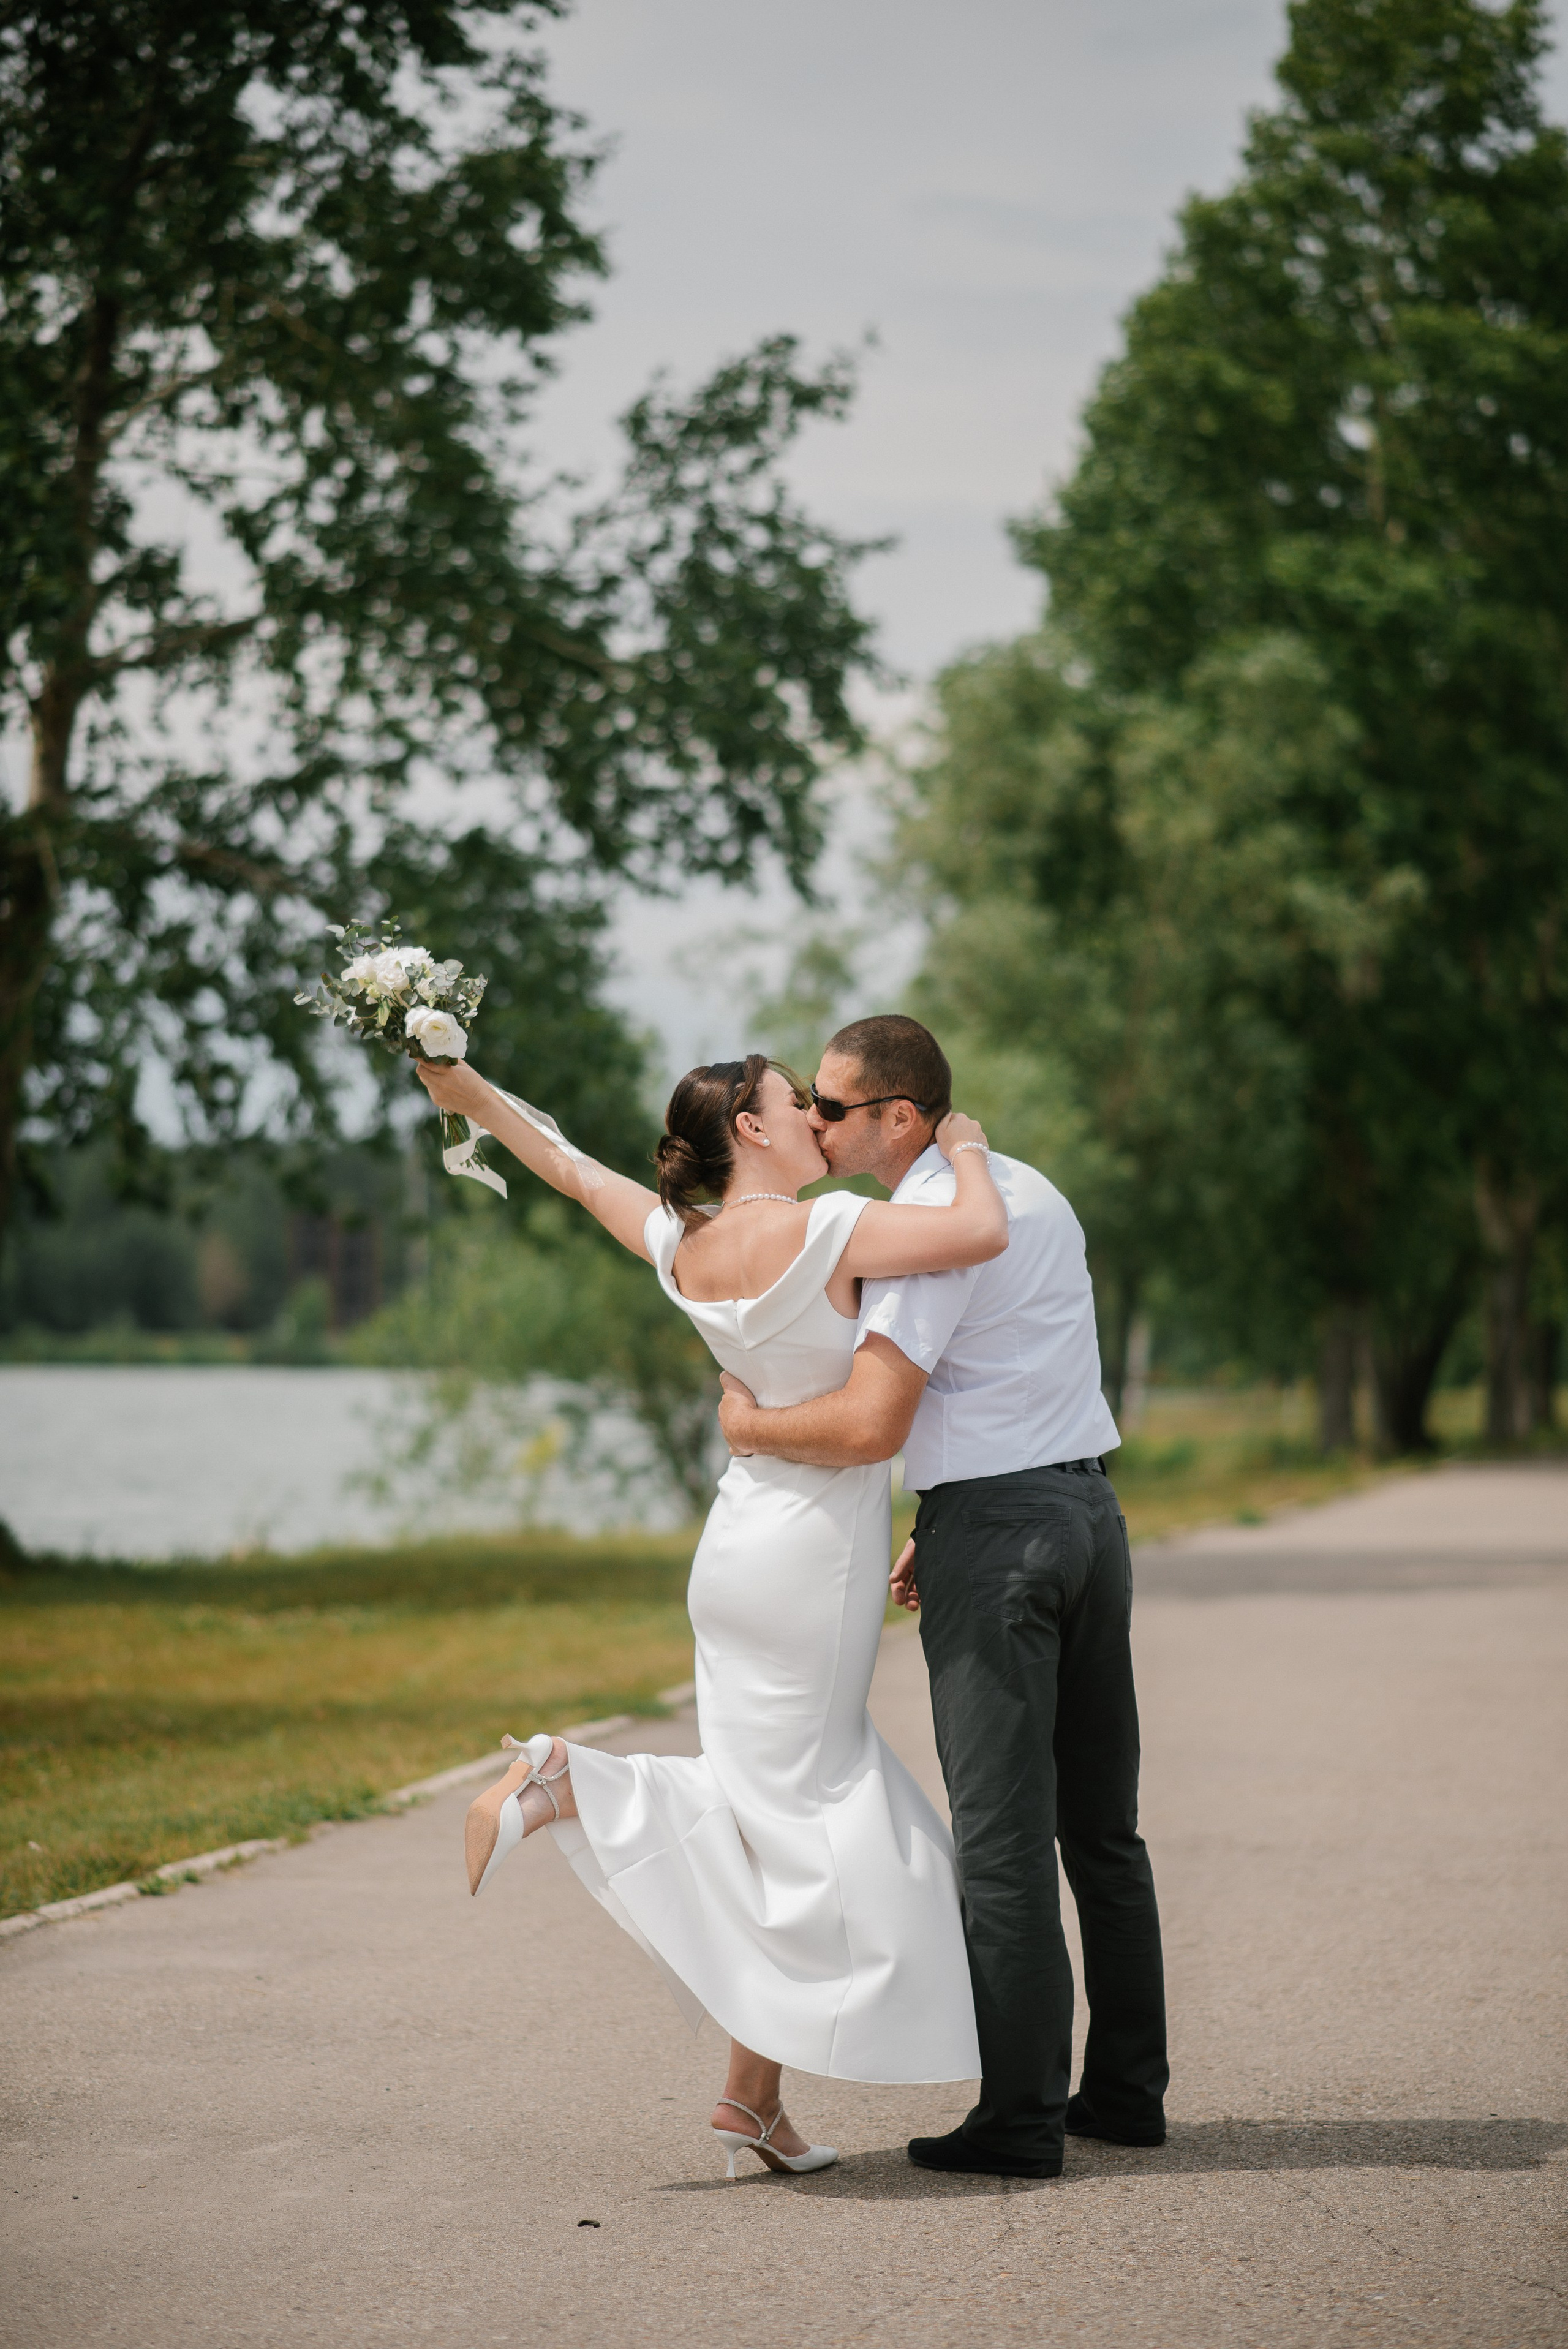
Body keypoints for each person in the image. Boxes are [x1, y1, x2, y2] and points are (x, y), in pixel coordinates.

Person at [413, 1047, 1009, 2178]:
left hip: (735, 1548)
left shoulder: (684, 1248)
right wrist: (964, 1143)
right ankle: (571, 1780)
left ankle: (751, 2103)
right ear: (751, 1126)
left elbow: (573, 1171)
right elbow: (979, 1232)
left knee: (763, 1810)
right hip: (812, 1561)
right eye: (799, 1103)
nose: (819, 1120)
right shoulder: (826, 1229)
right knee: (823, 1813)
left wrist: (476, 1093)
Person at [717, 1014, 1169, 2180]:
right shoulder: (1031, 1188)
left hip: (1005, 1543)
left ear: (900, 1118)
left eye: (831, 1105)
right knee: (1104, 1832)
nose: (811, 1121)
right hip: (1085, 1519)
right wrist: (943, 1515)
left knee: (1004, 1837)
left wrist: (751, 1427)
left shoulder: (927, 1226)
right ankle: (1123, 2093)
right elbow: (1012, 1371)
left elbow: (874, 1420)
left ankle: (1020, 2120)